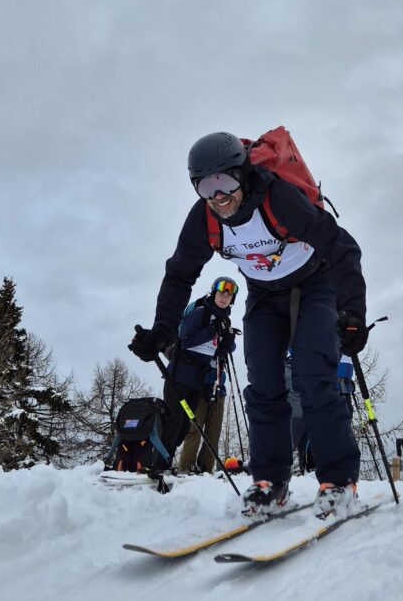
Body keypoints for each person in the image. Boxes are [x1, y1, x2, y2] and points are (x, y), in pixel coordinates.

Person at [129, 131, 367, 518]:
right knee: (263, 382)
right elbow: (179, 275)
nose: (218, 195)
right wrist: (162, 331)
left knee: (313, 376)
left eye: (225, 181)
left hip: (314, 284)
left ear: (243, 174)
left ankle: (338, 480)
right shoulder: (204, 218)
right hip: (265, 294)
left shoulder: (279, 200)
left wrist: (353, 312)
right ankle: (270, 481)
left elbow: (341, 247)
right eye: (205, 186)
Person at [162, 277, 237, 468]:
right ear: (214, 293)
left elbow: (217, 352)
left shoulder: (223, 319)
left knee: (184, 426)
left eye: (228, 295)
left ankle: (165, 463)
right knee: (174, 422)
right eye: (221, 293)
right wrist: (213, 330)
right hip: (180, 377)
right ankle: (158, 462)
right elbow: (186, 340)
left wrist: (228, 340)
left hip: (197, 381)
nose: (224, 298)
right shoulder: (200, 313)